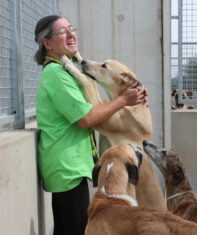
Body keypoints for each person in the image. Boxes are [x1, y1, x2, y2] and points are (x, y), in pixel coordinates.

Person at [34, 15, 147, 235]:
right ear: (46, 43)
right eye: (62, 32)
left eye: (71, 29)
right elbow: (87, 118)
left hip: (71, 167)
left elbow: (97, 103)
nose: (71, 34)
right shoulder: (56, 75)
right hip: (67, 170)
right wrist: (124, 100)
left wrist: (132, 94)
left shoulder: (64, 68)